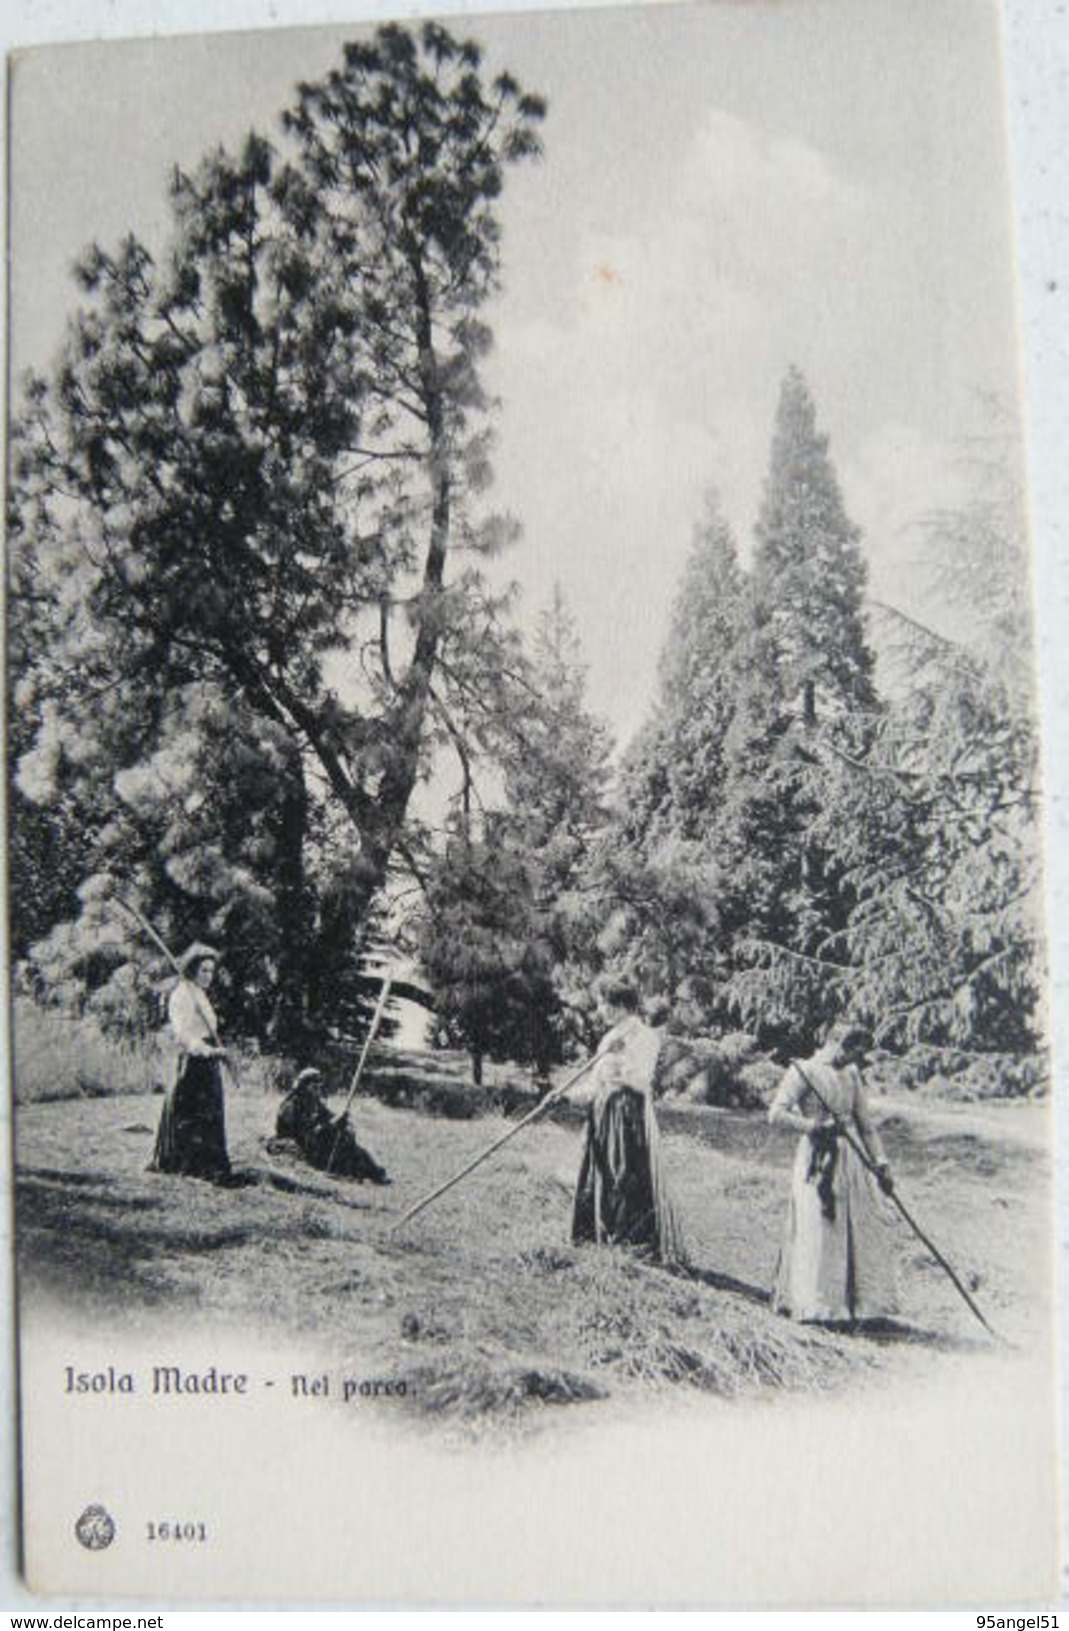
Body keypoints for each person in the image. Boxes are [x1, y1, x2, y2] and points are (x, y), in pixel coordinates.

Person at [768, 1023, 897, 1325]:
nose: (855, 1060)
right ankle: (817, 1306)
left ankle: (858, 1306)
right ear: (836, 1043)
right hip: (817, 1158)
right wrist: (814, 1126)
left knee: (857, 1226)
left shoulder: (851, 1075)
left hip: (852, 1159)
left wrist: (881, 1162)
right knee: (821, 1227)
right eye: (852, 1052)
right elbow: (775, 1114)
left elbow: (865, 1125)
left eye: (860, 1055)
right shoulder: (805, 1071)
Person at [571, 981, 682, 1264]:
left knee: (626, 1175)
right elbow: (594, 1083)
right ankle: (602, 1238)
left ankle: (633, 1245)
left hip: (628, 1116)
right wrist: (568, 1096)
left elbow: (642, 1081)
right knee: (602, 1174)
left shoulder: (645, 1037)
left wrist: (622, 1058)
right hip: (602, 1114)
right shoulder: (608, 1038)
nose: (600, 1010)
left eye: (603, 1003)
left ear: (620, 1005)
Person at [150, 942, 232, 1182]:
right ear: (193, 969)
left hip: (207, 1061)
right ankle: (187, 1165)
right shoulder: (182, 994)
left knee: (209, 1114)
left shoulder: (199, 993)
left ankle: (208, 1165)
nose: (209, 976)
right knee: (191, 1113)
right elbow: (183, 1034)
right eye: (204, 970)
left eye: (211, 970)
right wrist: (208, 1052)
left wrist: (214, 1052)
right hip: (193, 1062)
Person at [272, 1068, 390, 1184]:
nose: (318, 1091)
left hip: (316, 1143)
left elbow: (328, 1116)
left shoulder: (314, 1102)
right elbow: (306, 1135)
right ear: (304, 1086)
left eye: (319, 1087)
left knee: (353, 1148)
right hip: (301, 1148)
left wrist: (342, 1121)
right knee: (342, 1156)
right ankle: (358, 1173)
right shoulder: (290, 1106)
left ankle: (376, 1173)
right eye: (314, 1087)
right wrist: (332, 1125)